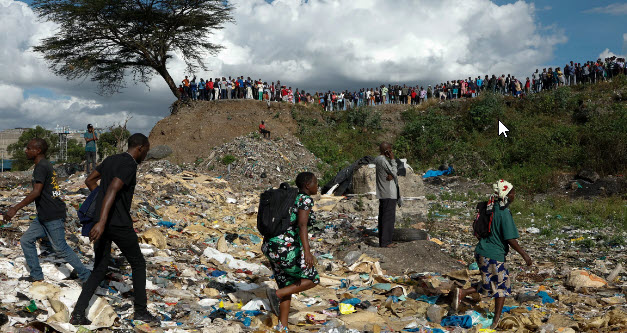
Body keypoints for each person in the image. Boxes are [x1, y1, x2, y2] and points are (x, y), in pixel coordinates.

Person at [70, 134, 158, 325]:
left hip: (100, 224)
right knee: (138, 263)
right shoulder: (129, 165)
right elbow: (112, 189)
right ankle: (141, 312)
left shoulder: (110, 160)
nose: (146, 155)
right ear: (141, 148)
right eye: (147, 150)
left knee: (99, 268)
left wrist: (100, 205)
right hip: (116, 224)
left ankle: (77, 314)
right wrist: (103, 220)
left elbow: (90, 180)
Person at [3, 138, 91, 283]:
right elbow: (53, 191)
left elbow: (36, 192)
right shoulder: (45, 165)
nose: (26, 150)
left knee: (60, 248)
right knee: (26, 240)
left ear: (37, 151)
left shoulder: (41, 166)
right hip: (44, 214)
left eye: (28, 148)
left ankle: (87, 277)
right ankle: (37, 275)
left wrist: (15, 208)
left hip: (52, 215)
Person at [453, 180, 532, 330]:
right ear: (506, 195)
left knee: (490, 282)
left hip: (482, 252)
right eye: (512, 192)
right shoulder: (504, 213)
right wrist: (525, 255)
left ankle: (462, 293)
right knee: (502, 287)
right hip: (493, 255)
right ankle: (496, 321)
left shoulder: (489, 208)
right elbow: (510, 239)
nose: (514, 195)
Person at [264, 172, 320, 333]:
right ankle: (276, 294)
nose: (317, 186)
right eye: (316, 183)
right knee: (312, 278)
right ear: (308, 185)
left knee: (287, 284)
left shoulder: (290, 197)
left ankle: (283, 327)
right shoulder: (305, 199)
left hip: (271, 246)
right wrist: (307, 253)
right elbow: (302, 225)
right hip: (284, 248)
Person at [375, 142, 401, 248]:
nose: (391, 152)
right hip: (389, 193)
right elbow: (394, 172)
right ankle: (386, 242)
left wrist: (391, 174)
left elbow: (391, 174)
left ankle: (383, 241)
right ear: (386, 151)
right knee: (388, 218)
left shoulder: (377, 159)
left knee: (383, 217)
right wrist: (393, 159)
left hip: (383, 192)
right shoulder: (382, 160)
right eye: (390, 150)